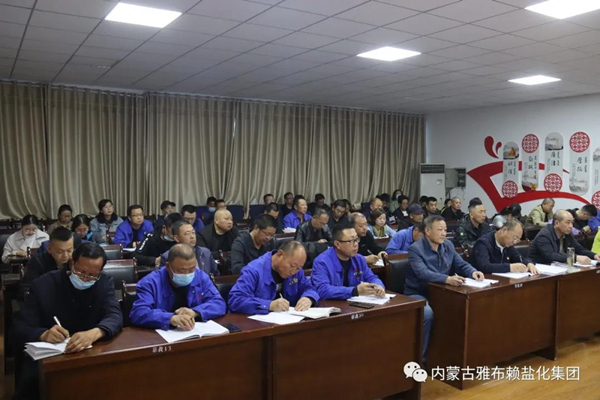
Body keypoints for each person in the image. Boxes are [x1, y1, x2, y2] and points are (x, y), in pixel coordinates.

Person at [11, 242, 122, 399]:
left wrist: (95, 333)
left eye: (92, 275)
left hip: (89, 354)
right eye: (81, 272)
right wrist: (43, 334)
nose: (85, 279)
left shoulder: (104, 282)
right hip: (49, 358)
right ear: (71, 262)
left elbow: (115, 315)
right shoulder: (44, 285)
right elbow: (20, 326)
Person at [406, 215, 484, 363]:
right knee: (427, 314)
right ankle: (421, 360)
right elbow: (423, 273)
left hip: (443, 293)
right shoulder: (416, 249)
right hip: (419, 293)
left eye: (445, 230)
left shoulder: (448, 245)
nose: (444, 233)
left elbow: (461, 264)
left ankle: (456, 358)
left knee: (465, 308)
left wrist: (473, 272)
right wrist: (447, 279)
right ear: (428, 231)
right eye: (440, 230)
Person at [130, 244, 226, 330]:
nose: (187, 274)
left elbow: (219, 303)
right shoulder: (150, 283)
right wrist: (170, 318)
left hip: (193, 331)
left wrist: (195, 312)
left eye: (191, 269)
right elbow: (138, 312)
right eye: (181, 270)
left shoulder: (201, 277)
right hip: (161, 336)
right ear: (168, 266)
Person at [228, 241, 319, 314]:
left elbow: (310, 287)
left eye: (299, 268)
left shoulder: (297, 271)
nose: (294, 271)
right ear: (280, 255)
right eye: (292, 266)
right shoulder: (253, 271)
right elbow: (236, 300)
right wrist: (269, 305)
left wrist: (309, 298)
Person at [311, 224, 385, 300]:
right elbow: (322, 290)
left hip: (357, 303)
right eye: (350, 241)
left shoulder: (359, 259)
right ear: (337, 244)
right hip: (333, 305)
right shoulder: (321, 262)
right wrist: (354, 291)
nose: (356, 244)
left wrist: (378, 286)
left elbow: (371, 277)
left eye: (356, 240)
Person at [18, 227, 78, 300]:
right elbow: (27, 288)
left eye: (69, 251)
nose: (65, 255)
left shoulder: (77, 260)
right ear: (49, 249)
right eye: (60, 252)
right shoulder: (38, 261)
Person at [529, 210, 599, 265]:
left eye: (572, 222)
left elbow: (579, 249)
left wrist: (594, 255)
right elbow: (551, 255)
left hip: (559, 267)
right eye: (568, 222)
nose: (571, 226)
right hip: (539, 269)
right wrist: (575, 258)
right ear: (557, 223)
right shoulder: (544, 235)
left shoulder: (567, 233)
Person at [471, 220, 539, 274]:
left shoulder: (507, 245)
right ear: (504, 230)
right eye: (515, 238)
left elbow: (519, 257)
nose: (515, 242)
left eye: (518, 240)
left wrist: (528, 263)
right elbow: (485, 266)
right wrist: (510, 267)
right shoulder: (483, 243)